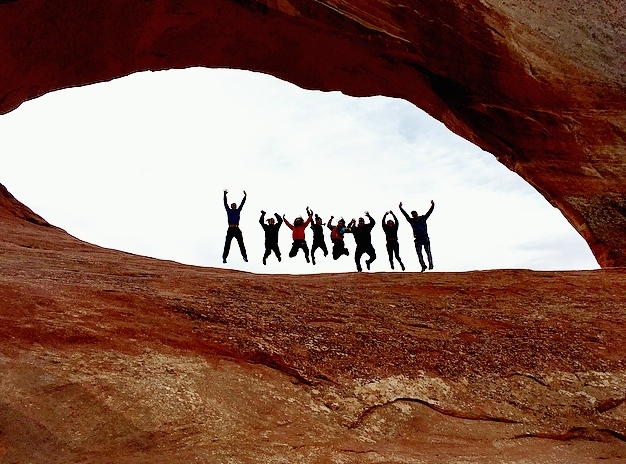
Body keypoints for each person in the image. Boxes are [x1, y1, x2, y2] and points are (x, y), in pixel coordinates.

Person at [399, 200, 435, 272]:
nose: (414, 215)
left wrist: (432, 205)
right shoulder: (411, 220)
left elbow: (429, 212)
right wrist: (400, 208)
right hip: (417, 238)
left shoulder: (422, 218)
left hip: (424, 237)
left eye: (415, 213)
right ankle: (423, 265)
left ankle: (430, 264)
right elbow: (405, 215)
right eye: (413, 214)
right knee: (419, 253)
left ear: (417, 214)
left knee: (428, 252)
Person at [222, 189, 248, 263]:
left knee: (241, 243)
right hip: (230, 228)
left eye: (235, 205)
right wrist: (224, 195)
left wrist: (245, 196)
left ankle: (245, 256)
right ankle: (224, 258)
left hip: (236, 228)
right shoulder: (229, 210)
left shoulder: (238, 210)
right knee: (227, 243)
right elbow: (225, 203)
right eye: (233, 205)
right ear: (231, 206)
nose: (234, 206)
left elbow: (242, 204)